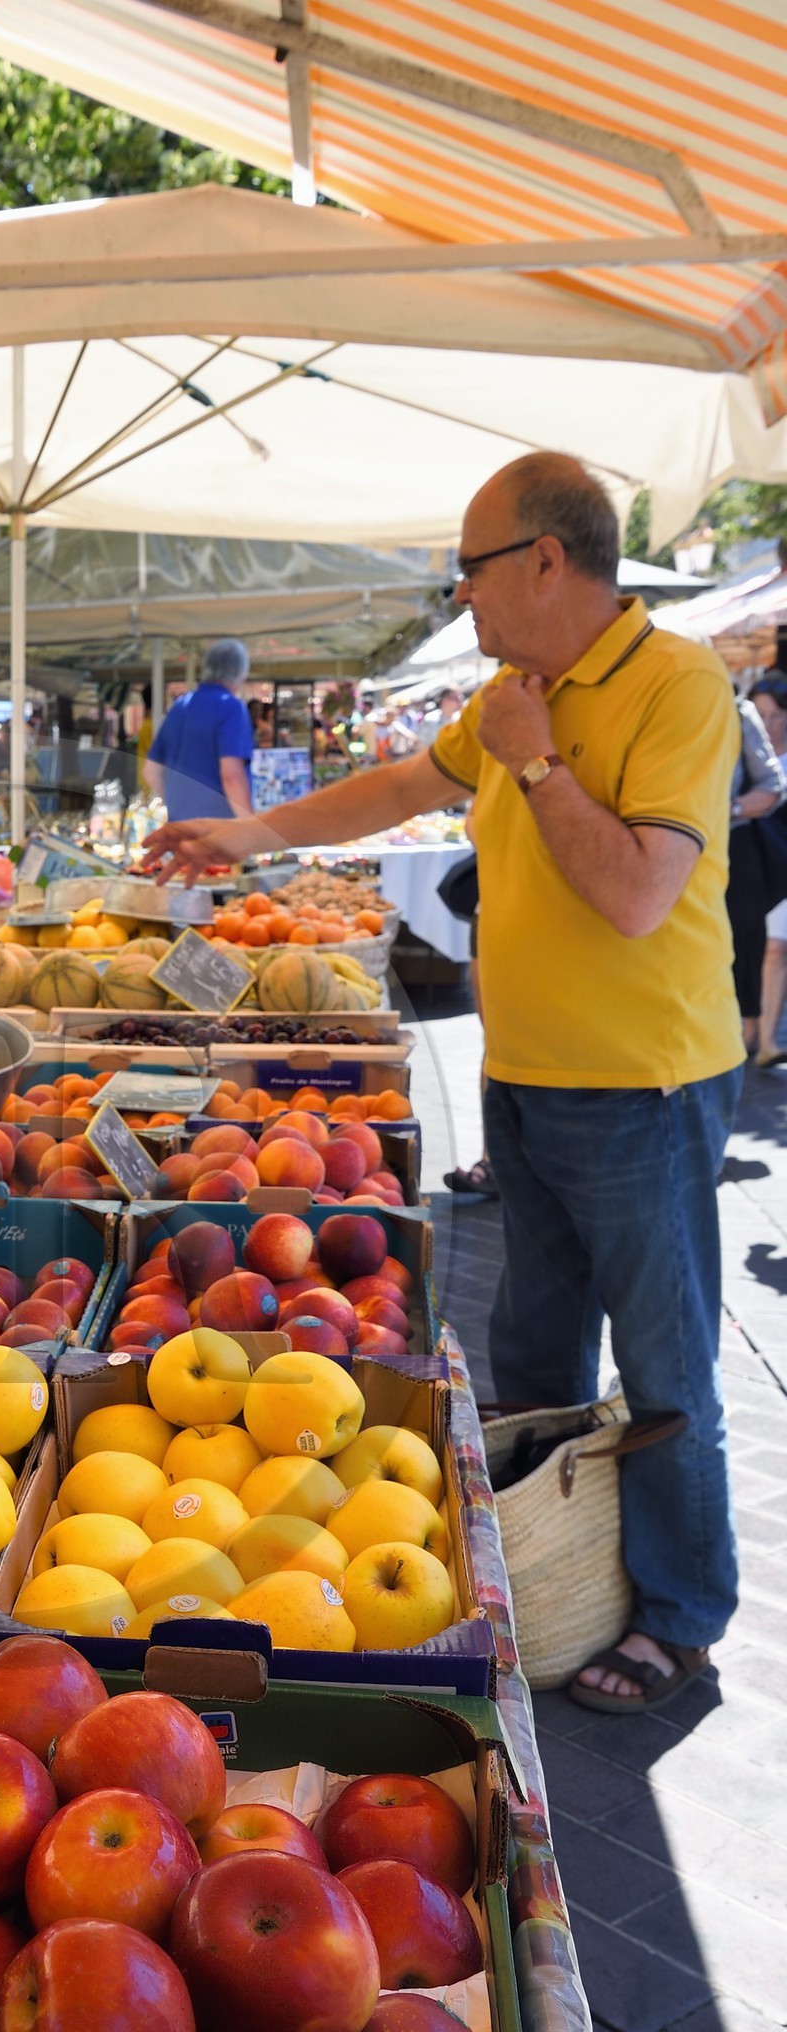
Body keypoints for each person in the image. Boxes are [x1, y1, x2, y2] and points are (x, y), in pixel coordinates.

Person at [144, 451, 744, 1719]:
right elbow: (401, 788)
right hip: (525, 1076)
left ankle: (684, 1616)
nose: (458, 598)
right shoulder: (516, 691)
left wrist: (535, 764)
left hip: (642, 1087)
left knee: (667, 1359)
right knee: (535, 1346)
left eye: (469, 570)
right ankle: (548, 1558)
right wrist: (241, 836)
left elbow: (641, 894)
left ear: (541, 559)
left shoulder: (675, 686)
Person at [723, 690, 787, 1055]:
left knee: (763, 947)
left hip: (740, 852)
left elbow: (770, 786)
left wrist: (726, 809)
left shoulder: (735, 710)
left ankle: (759, 1037)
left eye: (775, 714)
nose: (771, 722)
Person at [142, 638, 254, 820]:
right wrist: (251, 827)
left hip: (180, 830)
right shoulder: (231, 707)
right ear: (241, 672)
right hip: (218, 831)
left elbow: (151, 772)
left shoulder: (178, 707)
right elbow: (231, 776)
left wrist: (179, 805)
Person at [746, 672, 787, 1067]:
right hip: (753, 867)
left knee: (774, 949)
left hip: (779, 867)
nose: (767, 724)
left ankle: (767, 1037)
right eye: (759, 715)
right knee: (759, 948)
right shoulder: (746, 753)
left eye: (773, 715)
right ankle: (751, 1029)